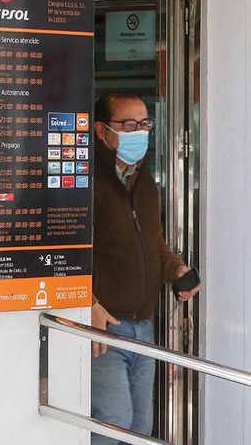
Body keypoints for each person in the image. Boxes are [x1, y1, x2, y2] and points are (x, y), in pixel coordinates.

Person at [90, 91, 200, 445]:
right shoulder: (83, 183)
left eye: (144, 123)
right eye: (128, 124)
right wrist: (86, 302)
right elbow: (65, 251)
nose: (139, 132)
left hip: (144, 326)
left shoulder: (144, 183)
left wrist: (177, 270)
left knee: (141, 427)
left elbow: (153, 244)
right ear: (101, 131)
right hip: (104, 328)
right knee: (114, 423)